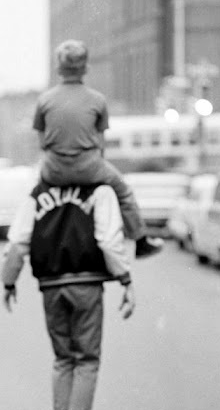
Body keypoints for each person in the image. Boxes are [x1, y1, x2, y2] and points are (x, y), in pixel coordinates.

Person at [1, 178, 135, 410]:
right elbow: (108, 239)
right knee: (87, 360)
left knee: (63, 359)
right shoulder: (99, 190)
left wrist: (9, 280)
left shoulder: (38, 192)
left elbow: (18, 241)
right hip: (87, 285)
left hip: (50, 287)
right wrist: (125, 279)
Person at [32, 38, 163, 259]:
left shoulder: (44, 101)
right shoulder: (97, 100)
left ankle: (28, 239)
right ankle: (140, 240)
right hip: (89, 168)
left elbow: (42, 143)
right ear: (85, 69)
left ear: (59, 69)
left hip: (54, 170)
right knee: (124, 192)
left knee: (33, 199)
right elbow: (101, 146)